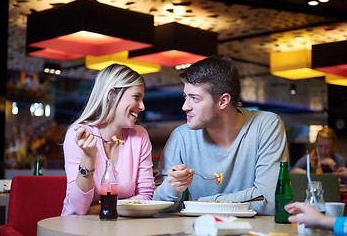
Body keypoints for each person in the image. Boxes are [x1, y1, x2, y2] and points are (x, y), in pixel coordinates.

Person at [153, 56, 289, 215]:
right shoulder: (181, 136)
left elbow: (270, 201)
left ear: (223, 101)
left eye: (195, 98)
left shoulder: (266, 125)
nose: (185, 107)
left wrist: (199, 203)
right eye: (185, 97)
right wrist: (173, 186)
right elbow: (158, 206)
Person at [62, 64, 155, 216]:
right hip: (78, 228)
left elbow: (146, 196)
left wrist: (101, 208)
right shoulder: (79, 134)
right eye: (136, 97)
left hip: (123, 228)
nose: (142, 106)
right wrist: (88, 156)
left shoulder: (140, 136)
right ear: (111, 95)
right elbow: (78, 208)